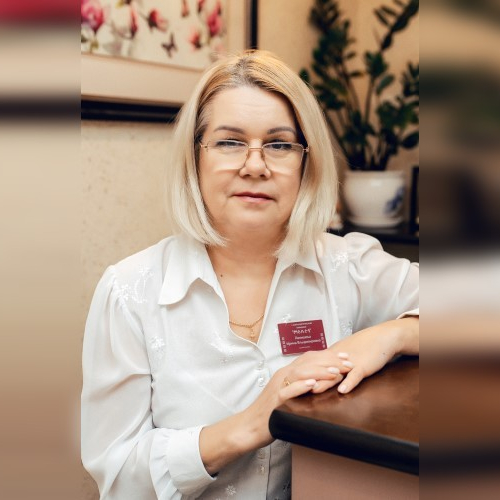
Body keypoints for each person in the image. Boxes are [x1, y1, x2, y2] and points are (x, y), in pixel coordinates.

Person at [81, 50, 418, 500]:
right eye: (229, 142)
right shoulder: (129, 292)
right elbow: (120, 478)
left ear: (305, 162)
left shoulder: (347, 266)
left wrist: (390, 336)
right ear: (195, 157)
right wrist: (253, 423)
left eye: (279, 145)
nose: (255, 166)